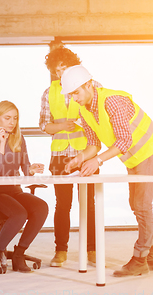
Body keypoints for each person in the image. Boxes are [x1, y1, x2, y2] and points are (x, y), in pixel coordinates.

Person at [62, 65, 153, 277]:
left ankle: (140, 259)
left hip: (148, 148)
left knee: (142, 205)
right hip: (133, 156)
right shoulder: (85, 110)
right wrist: (79, 158)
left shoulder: (112, 101)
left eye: (76, 92)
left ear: (89, 85)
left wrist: (98, 161)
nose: (74, 99)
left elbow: (124, 140)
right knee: (135, 204)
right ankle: (151, 253)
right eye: (71, 95)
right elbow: (94, 144)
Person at [39, 45, 102, 267]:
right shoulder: (49, 93)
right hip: (59, 156)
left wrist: (78, 125)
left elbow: (99, 120)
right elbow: (44, 126)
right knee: (62, 204)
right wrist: (62, 126)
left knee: (89, 204)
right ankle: (60, 251)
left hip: (86, 153)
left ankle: (92, 249)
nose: (60, 74)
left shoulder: (92, 87)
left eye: (63, 69)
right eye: (56, 71)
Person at [0, 100, 49, 274]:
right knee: (19, 213)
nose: (12, 122)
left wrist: (31, 170)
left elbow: (25, 168)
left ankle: (19, 254)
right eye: (7, 118)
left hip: (12, 190)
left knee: (41, 207)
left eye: (15, 118)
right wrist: (1, 145)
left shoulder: (19, 138)